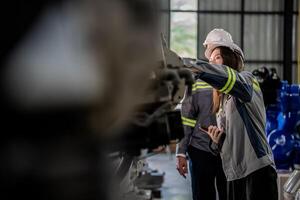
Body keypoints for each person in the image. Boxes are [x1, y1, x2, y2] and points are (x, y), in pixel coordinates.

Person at [190, 28, 278, 200]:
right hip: (233, 176)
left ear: (230, 59)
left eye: (217, 57)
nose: (212, 63)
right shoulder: (222, 101)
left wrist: (192, 67)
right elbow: (228, 144)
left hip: (257, 172)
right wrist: (217, 141)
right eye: (209, 60)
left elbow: (231, 80)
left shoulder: (247, 81)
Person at [176, 77, 227, 200]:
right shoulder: (196, 84)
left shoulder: (235, 83)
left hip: (229, 151)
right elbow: (186, 120)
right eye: (213, 58)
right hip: (201, 151)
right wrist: (181, 153)